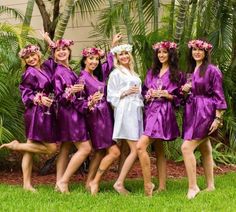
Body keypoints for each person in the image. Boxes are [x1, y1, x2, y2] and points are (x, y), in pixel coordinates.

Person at [0, 45, 57, 192]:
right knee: (51, 148)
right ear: (24, 60)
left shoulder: (44, 68)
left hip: (45, 111)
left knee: (30, 147)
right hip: (37, 112)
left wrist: (51, 44)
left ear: (38, 55)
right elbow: (25, 92)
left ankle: (26, 184)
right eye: (27, 57)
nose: (31, 59)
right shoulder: (29, 73)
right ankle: (16, 146)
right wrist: (39, 98)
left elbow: (54, 60)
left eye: (33, 55)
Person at [181, 39, 227, 199]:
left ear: (206, 52)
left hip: (205, 112)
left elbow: (219, 94)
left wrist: (218, 118)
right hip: (193, 111)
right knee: (205, 148)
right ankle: (210, 185)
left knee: (186, 148)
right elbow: (190, 92)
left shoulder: (212, 70)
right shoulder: (192, 70)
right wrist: (186, 91)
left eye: (200, 50)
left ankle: (193, 187)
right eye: (194, 49)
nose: (197, 52)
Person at [137, 41, 183, 196]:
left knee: (140, 146)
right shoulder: (151, 72)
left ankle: (149, 185)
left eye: (165, 52)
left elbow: (181, 98)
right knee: (159, 150)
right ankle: (162, 186)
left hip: (163, 113)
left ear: (171, 54)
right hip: (150, 110)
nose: (162, 55)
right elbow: (144, 91)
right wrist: (148, 94)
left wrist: (167, 95)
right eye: (159, 52)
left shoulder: (177, 74)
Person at [79, 34, 122, 195]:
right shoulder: (82, 78)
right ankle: (95, 182)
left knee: (99, 151)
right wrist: (89, 103)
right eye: (90, 59)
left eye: (96, 59)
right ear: (84, 60)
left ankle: (88, 183)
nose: (94, 62)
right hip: (97, 119)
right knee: (114, 152)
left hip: (105, 115)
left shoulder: (95, 76)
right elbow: (78, 101)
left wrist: (112, 45)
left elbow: (108, 65)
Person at [52, 39, 92, 193]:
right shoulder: (59, 72)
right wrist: (71, 91)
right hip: (70, 114)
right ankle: (64, 181)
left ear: (69, 52)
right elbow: (60, 97)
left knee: (65, 147)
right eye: (58, 50)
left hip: (69, 113)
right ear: (54, 55)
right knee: (85, 148)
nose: (61, 52)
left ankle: (58, 184)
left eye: (64, 49)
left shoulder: (68, 70)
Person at [107, 44, 143, 195]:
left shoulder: (133, 72)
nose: (124, 57)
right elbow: (110, 95)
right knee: (136, 149)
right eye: (120, 55)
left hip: (136, 110)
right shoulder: (116, 73)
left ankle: (121, 180)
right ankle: (119, 183)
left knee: (128, 149)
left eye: (126, 54)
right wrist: (126, 92)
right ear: (117, 58)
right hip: (125, 110)